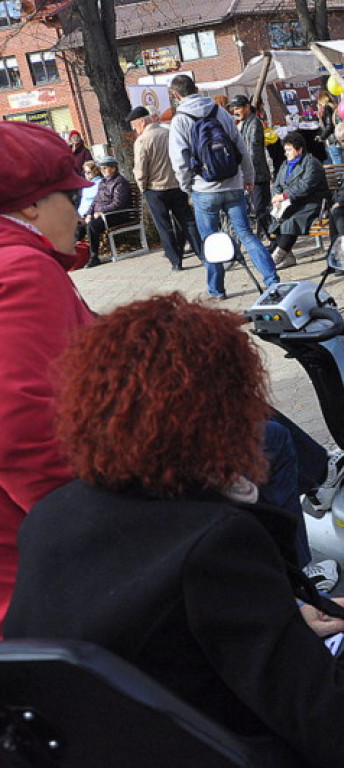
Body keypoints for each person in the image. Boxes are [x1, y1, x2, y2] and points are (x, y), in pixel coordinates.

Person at [2, 293, 344, 765]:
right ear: (225, 412)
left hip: (102, 745)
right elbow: (331, 721)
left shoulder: (51, 516)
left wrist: (281, 619)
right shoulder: (215, 541)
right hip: (224, 747)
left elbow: (147, 634)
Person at [0, 121, 94, 634]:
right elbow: (20, 427)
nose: (79, 214)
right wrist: (96, 531)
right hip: (34, 574)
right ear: (32, 206)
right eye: (71, 198)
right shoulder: (20, 268)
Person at [168, 75, 278, 300]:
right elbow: (241, 147)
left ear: (176, 96)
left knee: (210, 240)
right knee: (246, 234)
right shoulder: (221, 112)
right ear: (197, 88)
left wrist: (188, 187)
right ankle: (272, 281)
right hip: (233, 183)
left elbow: (179, 160)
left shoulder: (180, 120)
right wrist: (248, 177)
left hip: (204, 189)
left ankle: (216, 291)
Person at [127, 105, 203, 272]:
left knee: (164, 227)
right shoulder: (168, 134)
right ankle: (202, 254)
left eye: (134, 125)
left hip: (155, 189)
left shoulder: (142, 141)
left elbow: (141, 168)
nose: (134, 129)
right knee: (187, 221)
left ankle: (176, 262)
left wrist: (142, 186)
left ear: (141, 122)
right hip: (176, 185)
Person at [268, 132, 329, 269]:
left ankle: (277, 256)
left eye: (289, 150)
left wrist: (283, 196)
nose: (286, 153)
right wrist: (276, 198)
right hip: (291, 202)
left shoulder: (311, 163)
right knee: (269, 214)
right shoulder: (285, 164)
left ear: (299, 149)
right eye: (285, 150)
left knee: (291, 220)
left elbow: (305, 186)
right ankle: (288, 256)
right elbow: (277, 184)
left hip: (312, 202)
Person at [228, 94, 273, 240]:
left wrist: (245, 171)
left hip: (258, 175)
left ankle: (276, 241)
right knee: (259, 211)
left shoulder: (254, 123)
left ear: (247, 107)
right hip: (249, 175)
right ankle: (273, 239)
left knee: (262, 210)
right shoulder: (244, 123)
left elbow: (253, 151)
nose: (235, 111)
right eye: (233, 109)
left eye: (238, 108)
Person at [82, 155, 132, 268]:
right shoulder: (103, 182)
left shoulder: (119, 182)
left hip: (118, 214)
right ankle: (79, 256)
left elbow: (118, 203)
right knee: (80, 225)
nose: (102, 171)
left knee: (93, 226)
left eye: (105, 168)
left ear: (113, 168)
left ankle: (94, 257)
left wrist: (102, 211)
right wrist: (89, 214)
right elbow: (95, 201)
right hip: (103, 214)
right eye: (101, 168)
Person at [317, 91, 343, 165]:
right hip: (340, 138)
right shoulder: (335, 107)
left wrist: (321, 137)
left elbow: (329, 126)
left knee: (338, 164)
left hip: (333, 140)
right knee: (343, 162)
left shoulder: (327, 108)